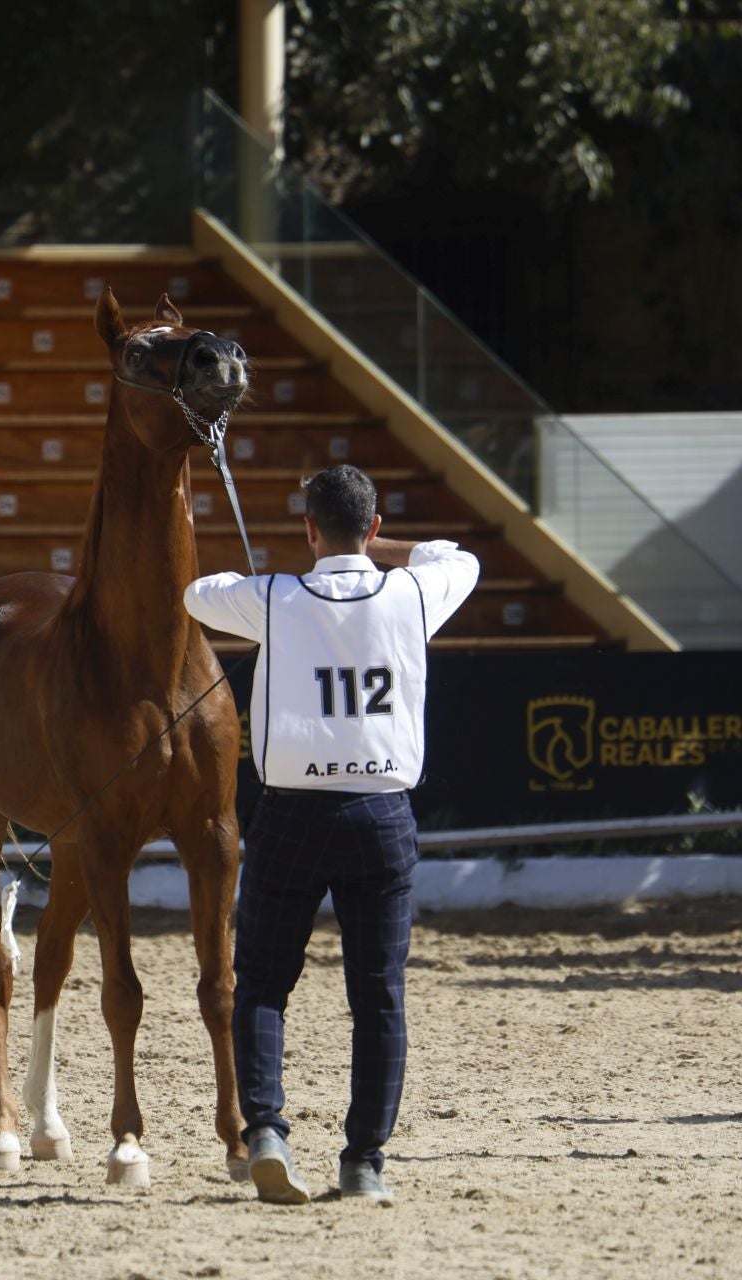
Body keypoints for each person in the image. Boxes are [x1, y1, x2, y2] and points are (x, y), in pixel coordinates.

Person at [183, 463, 479, 1204]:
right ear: (374, 529)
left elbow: (196, 594)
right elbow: (459, 556)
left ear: (308, 529)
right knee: (378, 996)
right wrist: (374, 548)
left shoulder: (276, 597)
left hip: (291, 813)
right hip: (381, 815)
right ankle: (365, 1162)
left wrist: (300, 569)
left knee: (261, 985)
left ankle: (268, 1132)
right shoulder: (413, 590)